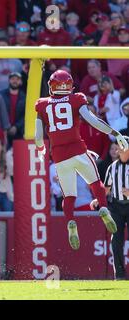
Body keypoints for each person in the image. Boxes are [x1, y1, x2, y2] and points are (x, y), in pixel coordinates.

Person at [34, 69, 128, 250]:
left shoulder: (42, 104)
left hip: (60, 156)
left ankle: (70, 221)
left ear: (52, 86)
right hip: (78, 150)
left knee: (69, 196)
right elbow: (91, 119)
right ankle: (103, 208)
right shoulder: (76, 99)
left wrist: (41, 148)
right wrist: (115, 133)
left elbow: (38, 137)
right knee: (95, 183)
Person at [92, 137, 129, 280]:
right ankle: (119, 276)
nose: (119, 149)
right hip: (116, 206)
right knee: (116, 241)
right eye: (119, 146)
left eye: (122, 146)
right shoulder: (112, 167)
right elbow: (106, 188)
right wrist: (98, 199)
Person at [0, 72, 26, 145]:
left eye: (17, 79)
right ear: (9, 81)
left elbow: (26, 115)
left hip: (19, 131)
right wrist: (6, 126)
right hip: (3, 130)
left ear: (20, 81)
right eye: (13, 79)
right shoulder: (1, 95)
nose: (15, 81)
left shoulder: (25, 97)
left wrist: (16, 126)